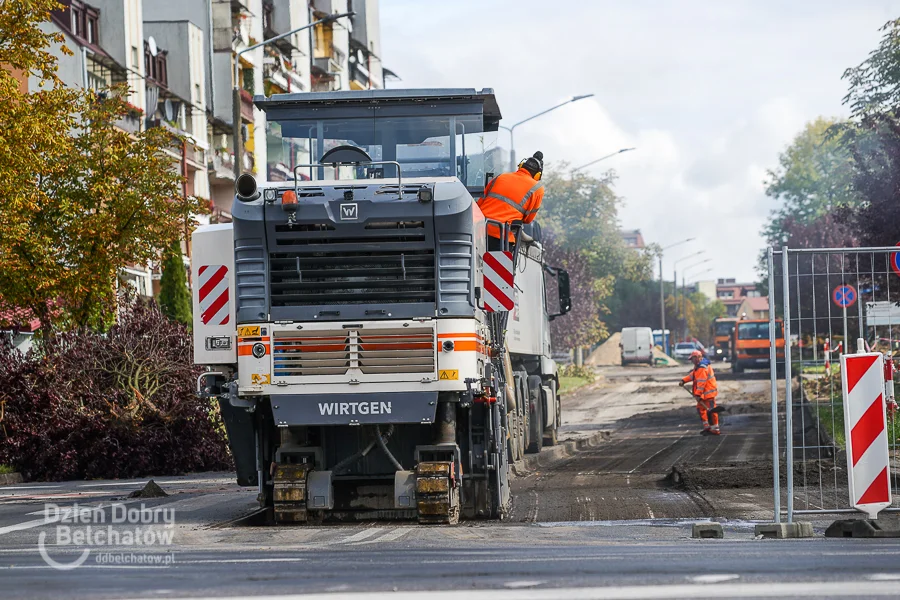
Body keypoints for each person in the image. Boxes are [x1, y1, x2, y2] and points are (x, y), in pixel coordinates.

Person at [477, 151, 544, 247]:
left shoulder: (500, 177)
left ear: (521, 166)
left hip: (479, 230)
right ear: (538, 174)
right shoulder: (537, 189)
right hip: (502, 237)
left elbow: (479, 204)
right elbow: (528, 220)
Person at [679, 349, 720, 435]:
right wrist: (684, 380)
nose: (692, 361)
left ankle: (715, 429)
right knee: (701, 409)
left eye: (693, 359)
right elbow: (692, 375)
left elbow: (701, 383)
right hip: (704, 394)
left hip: (708, 393)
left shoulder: (702, 367)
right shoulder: (698, 366)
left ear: (698, 358)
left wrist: (697, 394)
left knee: (711, 411)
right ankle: (707, 427)